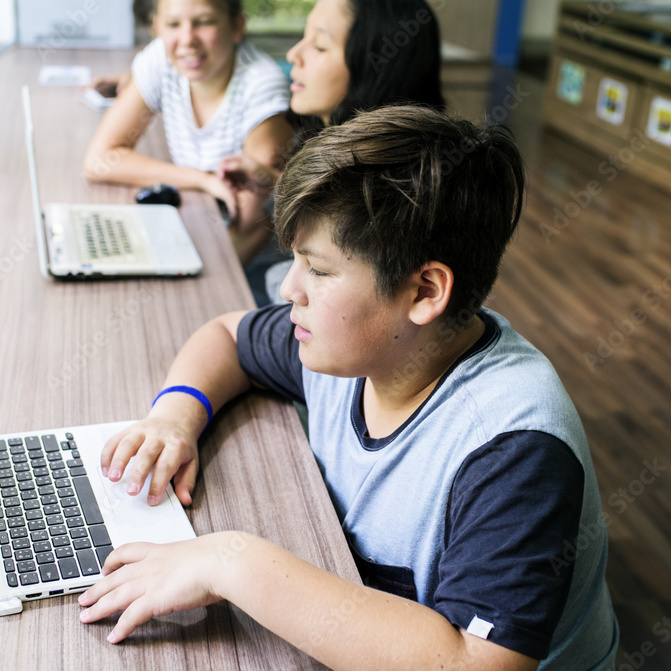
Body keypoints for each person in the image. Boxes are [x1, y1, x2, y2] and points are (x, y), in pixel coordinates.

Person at [78, 107, 620, 670]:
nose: (289, 288)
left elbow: (474, 662)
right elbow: (226, 336)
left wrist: (231, 562)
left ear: (424, 291)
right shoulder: (357, 344)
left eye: (318, 269)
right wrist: (174, 417)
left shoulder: (514, 447)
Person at [215, 0, 446, 304]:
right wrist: (273, 181)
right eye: (304, 37)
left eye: (320, 46)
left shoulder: (396, 190)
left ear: (376, 65)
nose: (294, 54)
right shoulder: (328, 146)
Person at [83, 0, 294, 266]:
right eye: (173, 24)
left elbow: (252, 225)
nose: (187, 40)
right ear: (157, 27)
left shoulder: (261, 86)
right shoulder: (161, 57)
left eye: (204, 22)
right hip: (198, 233)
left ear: (236, 27)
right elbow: (99, 161)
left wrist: (197, 283)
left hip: (252, 271)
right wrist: (202, 180)